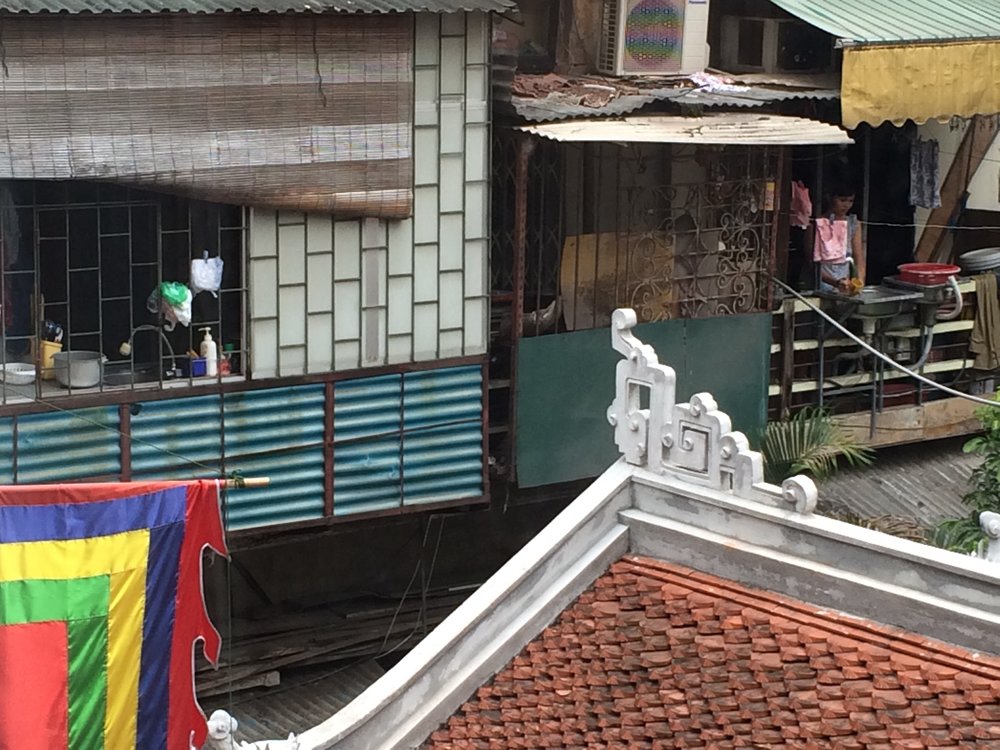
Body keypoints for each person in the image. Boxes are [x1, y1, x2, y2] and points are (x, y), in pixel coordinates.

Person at [813, 188, 865, 294]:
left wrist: (860, 281)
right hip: (821, 279)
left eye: (850, 201)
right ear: (830, 199)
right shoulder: (817, 223)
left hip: (844, 280)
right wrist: (835, 282)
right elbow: (811, 262)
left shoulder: (853, 223)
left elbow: (858, 257)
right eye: (842, 200)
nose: (846, 205)